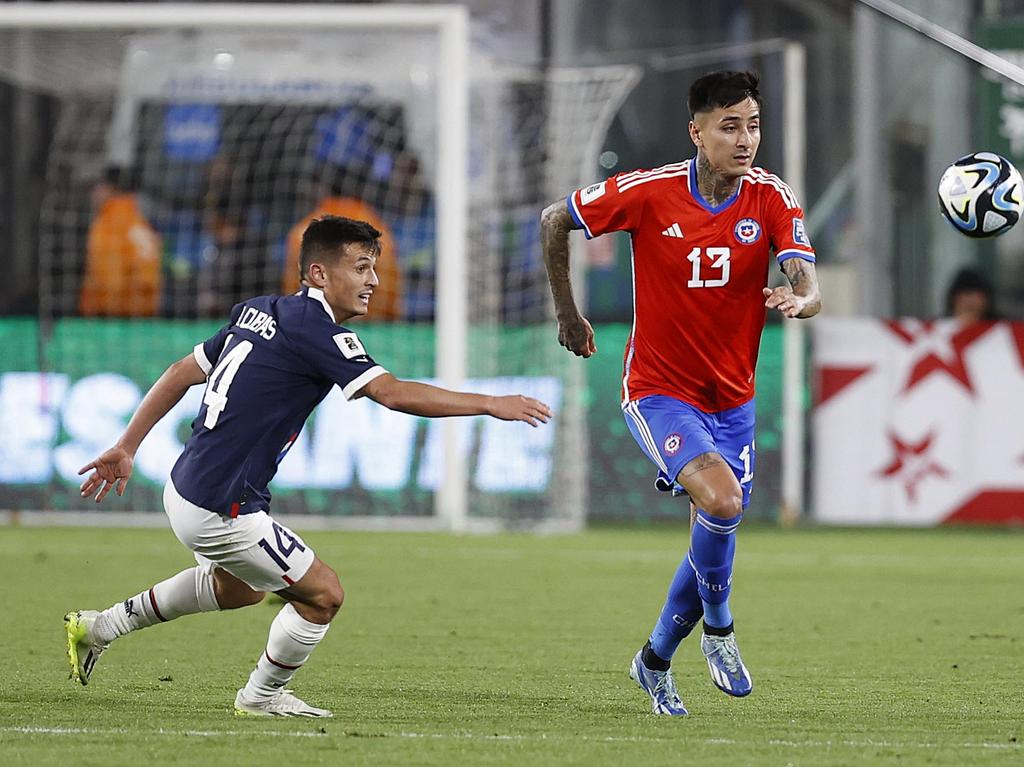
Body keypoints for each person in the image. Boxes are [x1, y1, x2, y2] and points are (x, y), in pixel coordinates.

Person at [67, 216, 552, 717]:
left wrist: (127, 446)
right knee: (323, 595)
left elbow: (178, 372)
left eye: (375, 268)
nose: (373, 281)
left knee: (238, 591)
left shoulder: (258, 310)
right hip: (220, 506)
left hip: (187, 485)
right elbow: (392, 393)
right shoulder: (316, 331)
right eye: (361, 267)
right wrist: (490, 402)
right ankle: (261, 697)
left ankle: (99, 627)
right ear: (319, 273)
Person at [540, 71, 821, 716]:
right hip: (659, 391)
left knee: (714, 527)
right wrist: (567, 313)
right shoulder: (649, 192)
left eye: (752, 124)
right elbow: (558, 219)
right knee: (720, 500)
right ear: (696, 132)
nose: (745, 139)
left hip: (734, 400)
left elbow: (807, 278)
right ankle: (720, 630)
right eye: (730, 126)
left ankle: (655, 659)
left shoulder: (771, 198)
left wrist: (800, 299)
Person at [283, 170, 403, 321]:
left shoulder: (302, 230)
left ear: (323, 188)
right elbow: (388, 286)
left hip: (313, 320)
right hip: (373, 323)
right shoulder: (379, 229)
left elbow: (293, 284)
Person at [79, 167, 163, 317]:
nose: (92, 194)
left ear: (110, 189)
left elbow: (109, 277)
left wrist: (91, 311)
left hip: (116, 312)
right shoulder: (138, 220)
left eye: (96, 187)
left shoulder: (109, 223)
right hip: (146, 311)